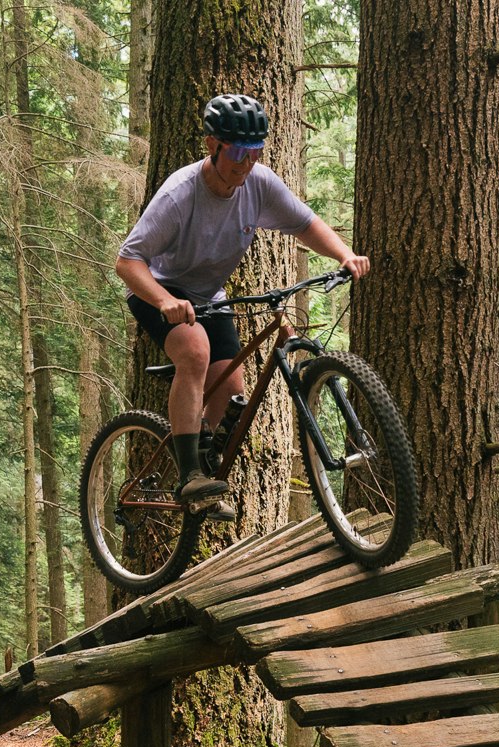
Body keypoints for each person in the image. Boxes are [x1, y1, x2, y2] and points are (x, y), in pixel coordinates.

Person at [116, 93, 370, 516]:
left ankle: (200, 457)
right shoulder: (180, 195)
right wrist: (165, 302)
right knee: (194, 351)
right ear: (212, 145)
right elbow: (127, 262)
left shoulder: (259, 184)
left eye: (254, 151)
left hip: (209, 298)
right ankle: (189, 476)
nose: (245, 162)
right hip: (158, 291)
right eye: (237, 151)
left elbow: (305, 223)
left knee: (233, 391)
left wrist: (343, 254)